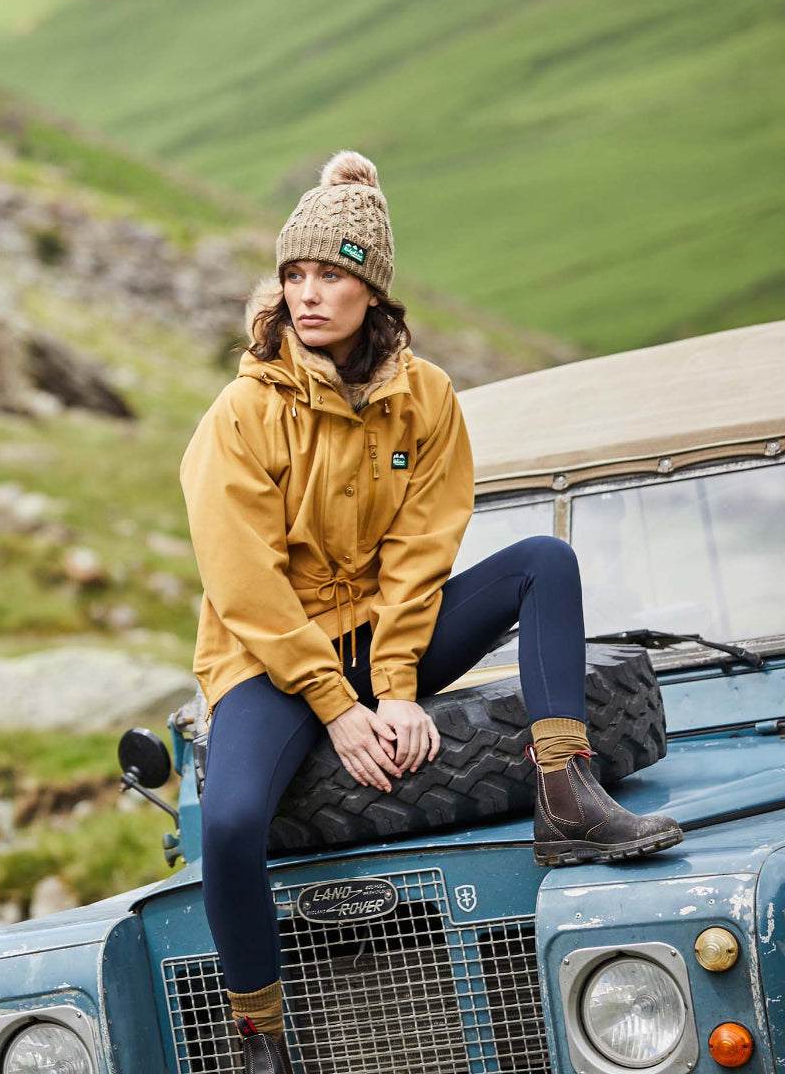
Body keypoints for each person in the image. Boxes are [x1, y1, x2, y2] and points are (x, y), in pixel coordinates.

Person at [178, 150, 683, 1074]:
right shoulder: (240, 415)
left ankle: (566, 792)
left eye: (330, 273)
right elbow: (242, 580)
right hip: (272, 660)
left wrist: (400, 687)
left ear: (372, 289)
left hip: (383, 638)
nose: (307, 294)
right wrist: (338, 708)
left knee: (543, 562)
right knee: (232, 821)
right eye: (294, 274)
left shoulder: (427, 398)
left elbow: (421, 553)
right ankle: (260, 1036)